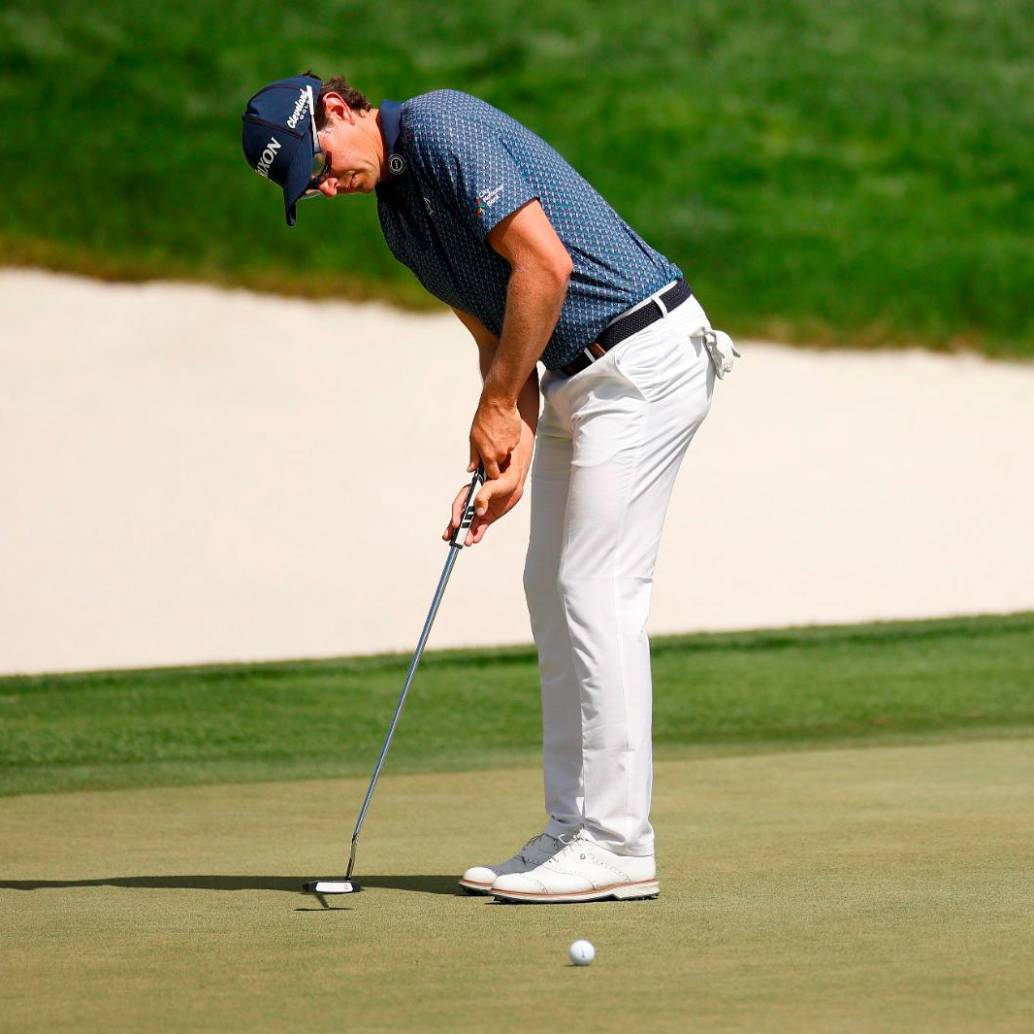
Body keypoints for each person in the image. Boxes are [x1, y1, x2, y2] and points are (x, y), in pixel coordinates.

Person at [240, 73, 737, 904]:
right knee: (550, 585)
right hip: (580, 383)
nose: (325, 186)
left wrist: (502, 405)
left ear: (335, 108)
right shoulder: (400, 222)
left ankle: (620, 843)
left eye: (317, 163)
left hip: (643, 358)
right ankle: (571, 830)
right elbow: (498, 329)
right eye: (307, 187)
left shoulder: (438, 127)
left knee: (596, 588)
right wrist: (511, 444)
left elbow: (546, 267)